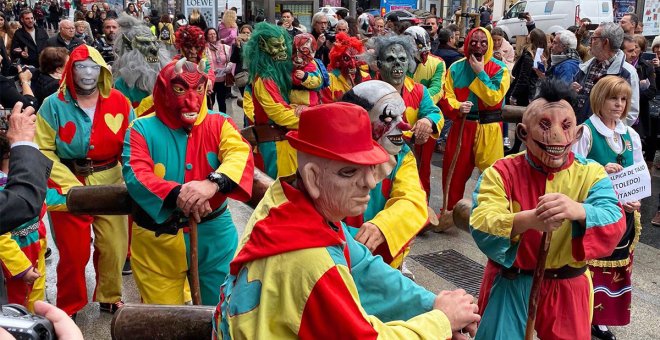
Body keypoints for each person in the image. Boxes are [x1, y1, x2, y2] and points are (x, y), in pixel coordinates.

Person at [215, 102, 481, 339]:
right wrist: (441, 321)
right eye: (349, 171)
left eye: (371, 168)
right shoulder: (313, 264)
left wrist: (433, 303)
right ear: (312, 178)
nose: (368, 182)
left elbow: (364, 266)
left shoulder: (287, 200)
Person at [471, 79, 627, 340]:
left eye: (566, 126)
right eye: (544, 125)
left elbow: (614, 218)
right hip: (511, 284)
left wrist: (579, 211)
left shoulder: (591, 173)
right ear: (522, 133)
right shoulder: (501, 172)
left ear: (576, 134)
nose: (556, 135)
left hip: (568, 289)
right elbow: (481, 220)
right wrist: (528, 220)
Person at [122, 58, 254, 305]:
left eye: (199, 89)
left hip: (214, 236)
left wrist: (212, 183)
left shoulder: (220, 123)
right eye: (180, 89)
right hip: (157, 240)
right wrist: (181, 195)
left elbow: (239, 153)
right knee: (163, 322)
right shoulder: (139, 128)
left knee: (220, 310)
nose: (192, 99)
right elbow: (136, 173)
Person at [35, 45, 134, 316]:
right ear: (70, 70)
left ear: (102, 70)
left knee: (114, 246)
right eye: (80, 67)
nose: (88, 73)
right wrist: (67, 183)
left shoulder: (120, 102)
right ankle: (70, 304)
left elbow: (131, 144)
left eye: (94, 67)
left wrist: (133, 180)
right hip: (66, 183)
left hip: (111, 181)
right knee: (73, 252)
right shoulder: (52, 104)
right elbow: (43, 148)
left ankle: (110, 296)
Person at [571, 76, 643, 340]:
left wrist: (636, 199)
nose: (619, 105)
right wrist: (600, 170)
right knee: (590, 267)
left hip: (622, 216)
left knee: (613, 269)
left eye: (623, 100)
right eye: (614, 98)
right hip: (594, 213)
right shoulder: (587, 131)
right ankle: (581, 313)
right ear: (600, 99)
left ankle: (600, 318)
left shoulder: (630, 134)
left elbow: (638, 173)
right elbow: (572, 171)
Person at [341, 81, 426, 270]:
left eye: (401, 116)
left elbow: (413, 199)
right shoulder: (334, 153)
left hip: (380, 265)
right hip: (335, 256)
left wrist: (384, 226)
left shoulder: (402, 156)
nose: (404, 125)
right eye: (389, 119)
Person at [439, 27, 510, 212]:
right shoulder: (456, 68)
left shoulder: (500, 69)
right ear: (468, 43)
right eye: (474, 42)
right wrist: (457, 106)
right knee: (454, 173)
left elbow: (494, 97)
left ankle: (491, 214)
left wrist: (480, 72)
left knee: (492, 176)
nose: (478, 46)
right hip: (463, 126)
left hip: (490, 128)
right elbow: (446, 95)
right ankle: (449, 211)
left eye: (483, 42)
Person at [243, 22, 299, 179]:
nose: (282, 50)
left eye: (283, 45)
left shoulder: (274, 77)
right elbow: (279, 113)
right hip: (275, 144)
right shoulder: (264, 78)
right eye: (276, 46)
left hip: (284, 143)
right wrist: (311, 118)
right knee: (280, 193)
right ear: (263, 46)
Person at [0, 132, 48, 312]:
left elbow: (39, 216)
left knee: (35, 297)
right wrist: (22, 267)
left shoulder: (24, 184)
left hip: (34, 246)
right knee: (16, 304)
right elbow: (1, 238)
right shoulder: (6, 189)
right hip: (15, 257)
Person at [402, 27, 445, 199]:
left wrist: (421, 104)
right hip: (397, 121)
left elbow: (437, 89)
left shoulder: (437, 63)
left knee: (422, 167)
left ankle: (422, 205)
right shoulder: (400, 60)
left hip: (423, 119)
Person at [573, 22, 639, 126]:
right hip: (580, 131)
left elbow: (630, 114)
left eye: (594, 38)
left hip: (603, 138)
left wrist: (607, 132)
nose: (590, 42)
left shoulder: (627, 72)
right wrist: (571, 92)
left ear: (605, 42)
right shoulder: (586, 66)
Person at [320, 32, 368, 103]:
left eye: (356, 58)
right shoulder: (329, 81)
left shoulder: (366, 78)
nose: (352, 64)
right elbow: (327, 107)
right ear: (338, 60)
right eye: (346, 58)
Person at [290, 33, 325, 108]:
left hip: (309, 104)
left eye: (303, 52)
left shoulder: (311, 66)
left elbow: (318, 82)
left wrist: (305, 77)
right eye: (294, 51)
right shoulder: (291, 65)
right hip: (293, 103)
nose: (298, 57)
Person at [205, 27, 232, 112]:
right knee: (210, 103)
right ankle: (210, 121)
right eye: (210, 34)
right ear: (207, 36)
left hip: (222, 79)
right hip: (210, 81)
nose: (213, 36)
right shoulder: (204, 49)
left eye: (214, 34)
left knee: (222, 102)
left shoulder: (224, 47)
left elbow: (230, 60)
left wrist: (228, 67)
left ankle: (223, 120)